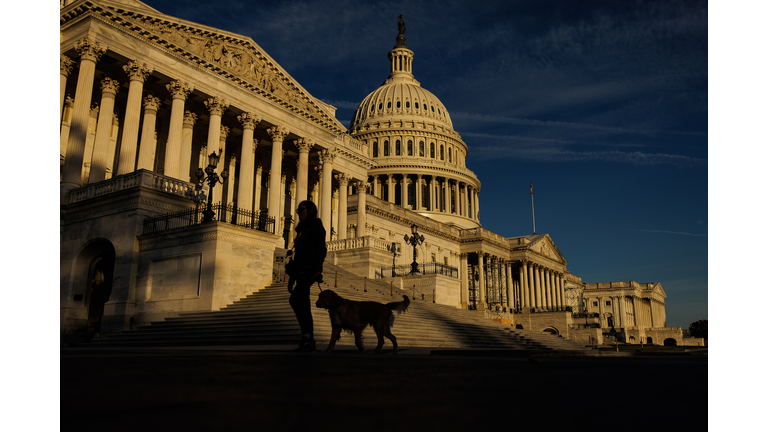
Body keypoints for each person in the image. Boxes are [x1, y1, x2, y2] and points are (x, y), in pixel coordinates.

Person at [287, 200, 326, 352]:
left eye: (301, 210)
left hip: (309, 271)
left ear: (310, 210)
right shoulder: (301, 229)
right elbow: (297, 257)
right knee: (304, 305)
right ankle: (309, 339)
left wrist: (317, 270)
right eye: (298, 210)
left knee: (294, 300)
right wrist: (291, 278)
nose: (299, 213)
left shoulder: (316, 226)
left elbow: (321, 250)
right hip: (300, 271)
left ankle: (306, 335)